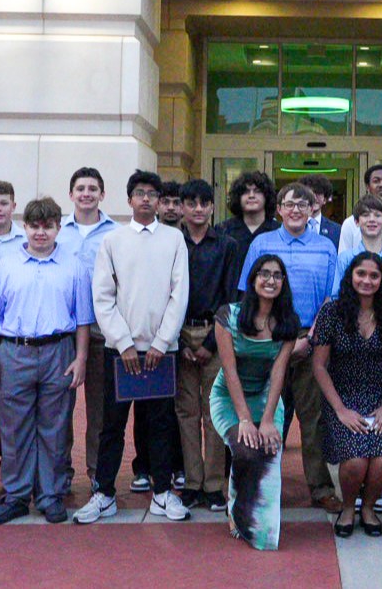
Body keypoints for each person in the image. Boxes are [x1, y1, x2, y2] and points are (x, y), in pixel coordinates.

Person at [83, 171, 192, 523]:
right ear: (129, 199)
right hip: (121, 352)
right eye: (140, 193)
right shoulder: (113, 240)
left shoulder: (174, 239)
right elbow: (102, 296)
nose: (146, 199)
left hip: (163, 350)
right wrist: (123, 342)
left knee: (159, 424)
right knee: (111, 425)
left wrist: (162, 341)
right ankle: (103, 493)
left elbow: (180, 294)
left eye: (152, 194)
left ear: (160, 201)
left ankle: (162, 493)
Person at [0, 197, 94, 525]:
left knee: (55, 428)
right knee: (14, 428)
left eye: (48, 226)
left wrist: (81, 358)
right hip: (14, 352)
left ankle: (50, 494)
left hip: (59, 350)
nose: (40, 233)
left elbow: (83, 319)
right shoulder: (6, 266)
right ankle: (15, 494)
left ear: (58, 227)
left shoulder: (74, 266)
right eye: (34, 226)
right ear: (24, 227)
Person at [237, 182, 342, 512]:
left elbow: (332, 299)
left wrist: (311, 338)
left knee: (313, 419)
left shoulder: (325, 247)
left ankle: (320, 487)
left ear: (313, 210)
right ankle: (265, 486)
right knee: (269, 416)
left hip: (311, 337)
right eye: (289, 204)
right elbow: (248, 295)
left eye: (303, 204)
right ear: (278, 209)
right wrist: (263, 337)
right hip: (269, 338)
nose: (295, 209)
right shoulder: (262, 243)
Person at [311, 253, 382, 538]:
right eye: (361, 274)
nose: (367, 280)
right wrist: (340, 409)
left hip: (381, 396)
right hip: (342, 396)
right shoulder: (333, 313)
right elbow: (319, 365)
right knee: (355, 461)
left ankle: (368, 508)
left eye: (374, 275)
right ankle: (348, 508)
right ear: (350, 277)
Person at [211, 255, 298, 550]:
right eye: (264, 274)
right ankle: (236, 508)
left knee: (268, 448)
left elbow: (278, 374)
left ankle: (260, 523)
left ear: (283, 283)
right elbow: (230, 371)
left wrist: (269, 419)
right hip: (228, 395)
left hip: (266, 395)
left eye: (276, 275)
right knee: (245, 448)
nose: (270, 280)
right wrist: (246, 419)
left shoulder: (288, 323)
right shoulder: (228, 316)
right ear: (253, 279)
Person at [175, 179, 243, 512]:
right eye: (191, 203)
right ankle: (192, 482)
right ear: (183, 207)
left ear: (212, 208)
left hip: (216, 334)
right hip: (178, 335)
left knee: (214, 413)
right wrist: (177, 341)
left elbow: (232, 297)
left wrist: (214, 345)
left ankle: (215, 484)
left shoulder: (227, 245)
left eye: (204, 203)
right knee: (186, 413)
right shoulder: (173, 243)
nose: (198, 209)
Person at [59, 167, 119, 489]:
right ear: (71, 194)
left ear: (102, 194)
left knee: (100, 410)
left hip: (100, 330)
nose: (86, 193)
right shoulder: (58, 231)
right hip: (62, 332)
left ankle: (98, 474)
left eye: (92, 188)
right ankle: (61, 474)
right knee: (60, 410)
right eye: (80, 188)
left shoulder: (116, 234)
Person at [334, 195, 382, 303]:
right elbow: (337, 297)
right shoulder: (345, 259)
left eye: (377, 215)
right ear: (356, 221)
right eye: (365, 215)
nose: (371, 220)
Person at [219, 170, 280, 252]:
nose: (251, 196)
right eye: (246, 192)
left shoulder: (278, 231)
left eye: (257, 191)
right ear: (238, 197)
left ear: (266, 196)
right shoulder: (224, 230)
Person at [299, 174, 341, 247]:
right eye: (310, 193)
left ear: (325, 199)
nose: (314, 198)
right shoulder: (293, 226)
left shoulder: (337, 230)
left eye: (318, 193)